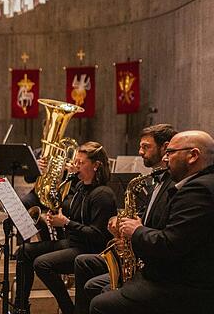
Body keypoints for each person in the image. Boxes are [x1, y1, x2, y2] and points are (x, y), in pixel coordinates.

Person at [90, 131, 214, 314]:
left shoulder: (198, 190)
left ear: (193, 155)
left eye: (170, 152)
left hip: (182, 285)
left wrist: (137, 230)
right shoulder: (196, 185)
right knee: (102, 289)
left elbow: (170, 243)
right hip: (177, 275)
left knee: (100, 305)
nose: (165, 158)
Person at [73, 124, 176, 313]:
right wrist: (120, 223)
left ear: (165, 148)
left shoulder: (175, 184)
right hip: (141, 252)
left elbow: (166, 232)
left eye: (146, 147)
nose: (140, 152)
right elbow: (147, 215)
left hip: (156, 268)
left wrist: (135, 232)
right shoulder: (155, 180)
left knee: (99, 291)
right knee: (87, 274)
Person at [13, 142, 117, 314]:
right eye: (75, 162)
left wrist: (66, 223)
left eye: (80, 163)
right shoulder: (79, 188)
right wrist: (55, 216)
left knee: (42, 264)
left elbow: (98, 235)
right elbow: (67, 210)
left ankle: (69, 309)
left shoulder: (103, 194)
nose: (75, 167)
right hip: (72, 243)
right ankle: (21, 307)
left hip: (89, 249)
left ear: (96, 165)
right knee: (24, 251)